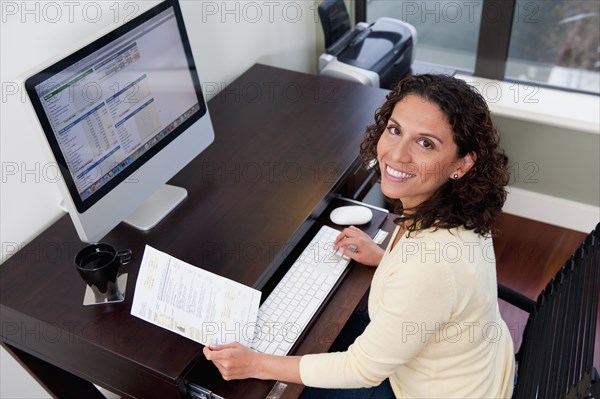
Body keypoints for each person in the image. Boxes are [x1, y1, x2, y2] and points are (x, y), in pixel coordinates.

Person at [203, 74, 515, 398]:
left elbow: (362, 369)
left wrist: (255, 363)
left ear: (461, 164)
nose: (397, 154)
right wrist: (386, 259)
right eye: (395, 130)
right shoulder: (459, 211)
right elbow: (440, 286)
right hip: (481, 367)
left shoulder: (429, 267)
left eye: (426, 143)